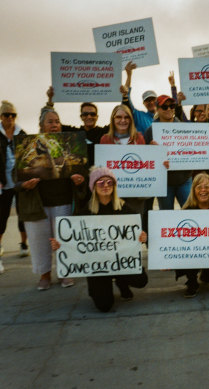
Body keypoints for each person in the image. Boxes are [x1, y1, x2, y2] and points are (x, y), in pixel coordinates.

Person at [50, 167, 147, 311]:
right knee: (104, 306)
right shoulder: (86, 211)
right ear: (93, 186)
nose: (106, 186)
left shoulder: (124, 208)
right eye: (101, 182)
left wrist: (142, 236)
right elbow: (73, 238)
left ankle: (122, 282)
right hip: (97, 265)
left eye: (110, 182)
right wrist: (60, 245)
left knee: (141, 280)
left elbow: (137, 231)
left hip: (120, 261)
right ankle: (98, 288)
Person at [16, 107, 87, 290]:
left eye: (57, 121)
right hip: (38, 204)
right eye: (50, 122)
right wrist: (24, 185)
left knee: (64, 239)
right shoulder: (28, 147)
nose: (54, 125)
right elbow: (16, 178)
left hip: (63, 200)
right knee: (39, 241)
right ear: (41, 126)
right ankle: (44, 275)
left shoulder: (66, 148)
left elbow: (80, 172)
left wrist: (79, 181)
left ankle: (66, 273)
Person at [144, 95, 192, 210]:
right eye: (164, 107)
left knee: (191, 212)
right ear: (157, 109)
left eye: (172, 106)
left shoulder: (184, 127)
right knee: (166, 216)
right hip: (164, 183)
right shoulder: (150, 130)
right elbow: (144, 159)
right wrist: (150, 151)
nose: (169, 109)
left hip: (184, 179)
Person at [100, 105, 147, 216]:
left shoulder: (139, 137)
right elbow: (102, 169)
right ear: (113, 119)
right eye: (118, 117)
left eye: (126, 117)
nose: (123, 120)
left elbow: (145, 164)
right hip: (114, 193)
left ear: (131, 120)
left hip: (135, 193)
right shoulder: (105, 139)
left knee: (135, 226)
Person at [45, 87, 109, 166]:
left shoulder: (104, 132)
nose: (89, 117)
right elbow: (51, 122)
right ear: (81, 117)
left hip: (99, 174)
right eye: (85, 114)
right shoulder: (74, 133)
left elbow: (124, 117)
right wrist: (50, 100)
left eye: (92, 114)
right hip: (79, 176)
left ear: (97, 117)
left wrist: (125, 94)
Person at [0, 101, 29, 273]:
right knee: (1, 215)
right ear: (1, 117)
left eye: (13, 115)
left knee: (22, 213)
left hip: (19, 181)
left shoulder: (21, 133)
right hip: (3, 183)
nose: (10, 118)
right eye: (6, 115)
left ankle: (24, 244)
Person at [120, 61, 156, 134]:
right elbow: (126, 102)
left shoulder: (166, 118)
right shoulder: (139, 116)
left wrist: (173, 86)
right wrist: (129, 75)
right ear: (144, 103)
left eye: (153, 99)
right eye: (148, 100)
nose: (151, 102)